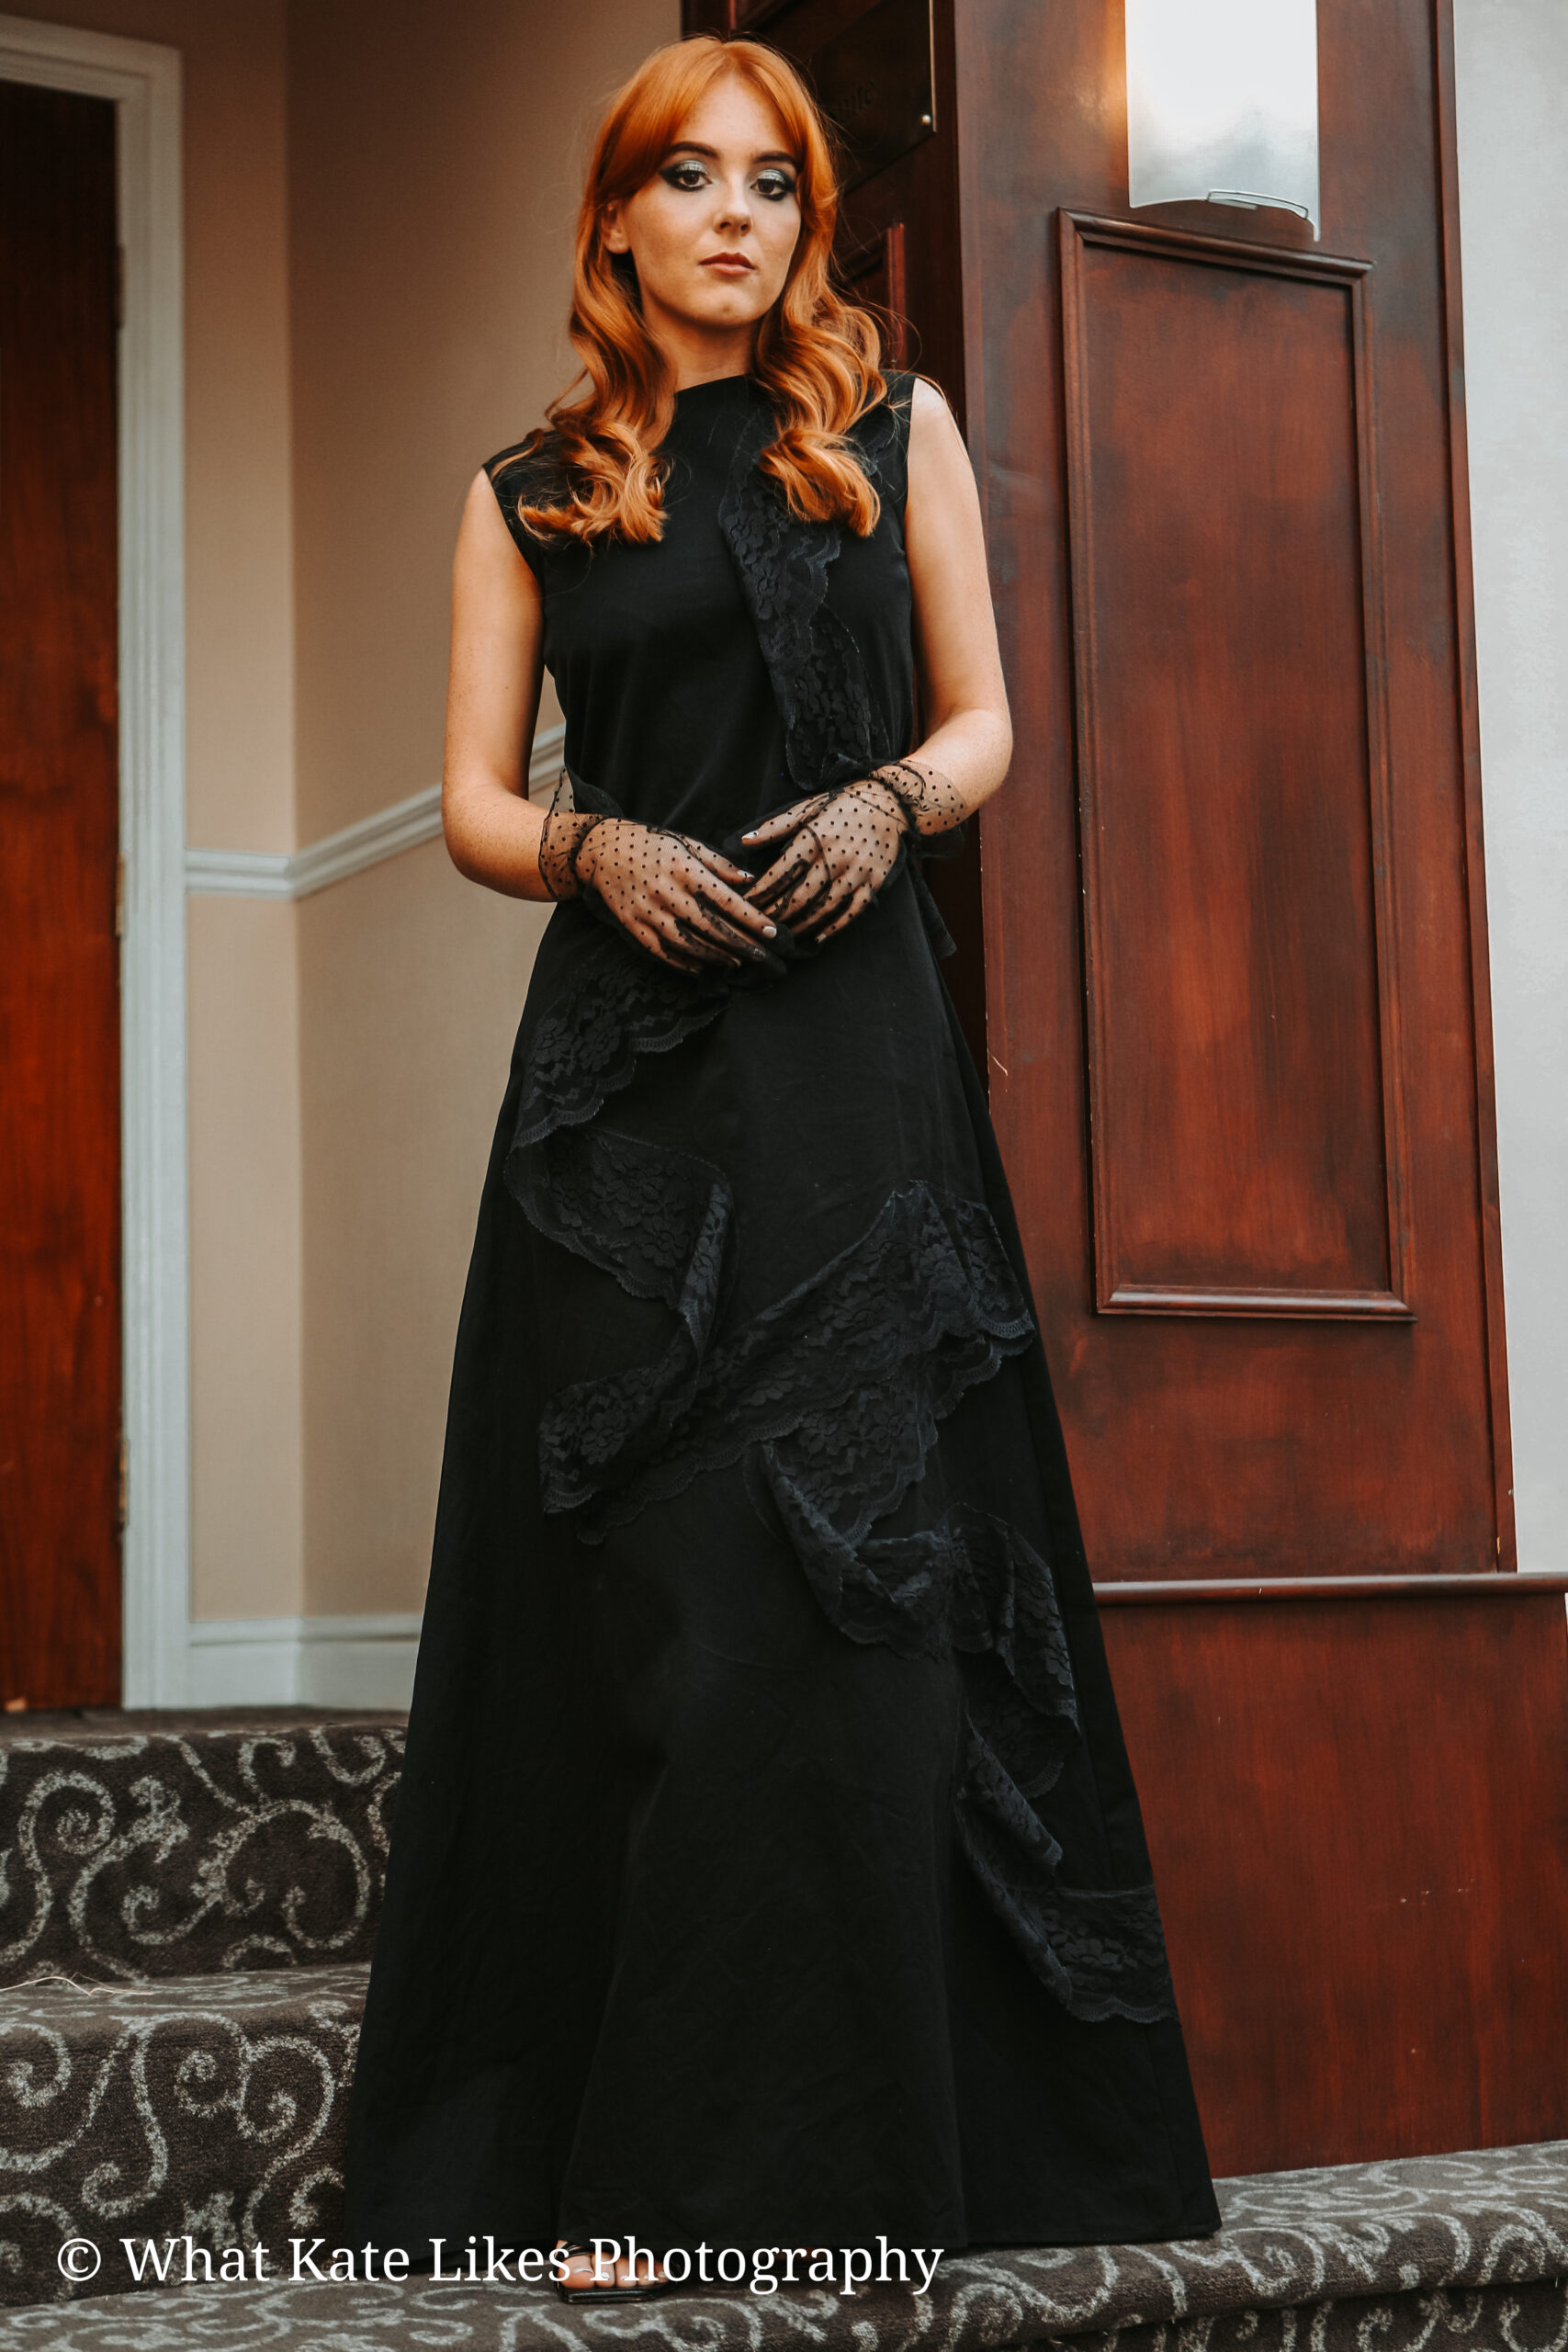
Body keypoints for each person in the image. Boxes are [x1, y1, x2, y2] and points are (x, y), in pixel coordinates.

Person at [343, 32, 1220, 2292]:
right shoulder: (527, 492)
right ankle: (630, 2169)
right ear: (615, 217)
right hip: (622, 1113)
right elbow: (470, 800)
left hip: (850, 1073)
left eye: (770, 182)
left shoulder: (890, 427)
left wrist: (893, 801)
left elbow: (984, 715)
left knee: (849, 1609)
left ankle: (842, 2171)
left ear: (803, 222)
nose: (732, 215)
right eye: (687, 177)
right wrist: (593, 846)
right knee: (672, 1615)